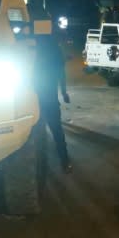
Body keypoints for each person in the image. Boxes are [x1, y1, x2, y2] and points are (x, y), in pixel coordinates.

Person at [33, 33, 72, 173]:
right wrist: (64, 93)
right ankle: (64, 161)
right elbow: (61, 75)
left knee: (38, 133)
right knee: (56, 131)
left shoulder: (34, 56)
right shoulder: (54, 56)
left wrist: (63, 92)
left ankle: (56, 162)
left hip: (36, 102)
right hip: (48, 100)